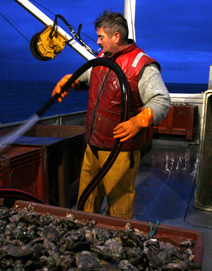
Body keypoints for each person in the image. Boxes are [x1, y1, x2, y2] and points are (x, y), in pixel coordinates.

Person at [52, 10, 171, 219]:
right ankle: (84, 234)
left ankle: (116, 243)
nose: (97, 42)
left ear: (116, 36)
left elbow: (161, 100)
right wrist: (71, 80)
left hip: (120, 148)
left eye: (101, 37)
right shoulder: (102, 57)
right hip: (93, 143)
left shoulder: (142, 64)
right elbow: (89, 76)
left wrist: (138, 122)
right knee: (87, 197)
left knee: (119, 203)